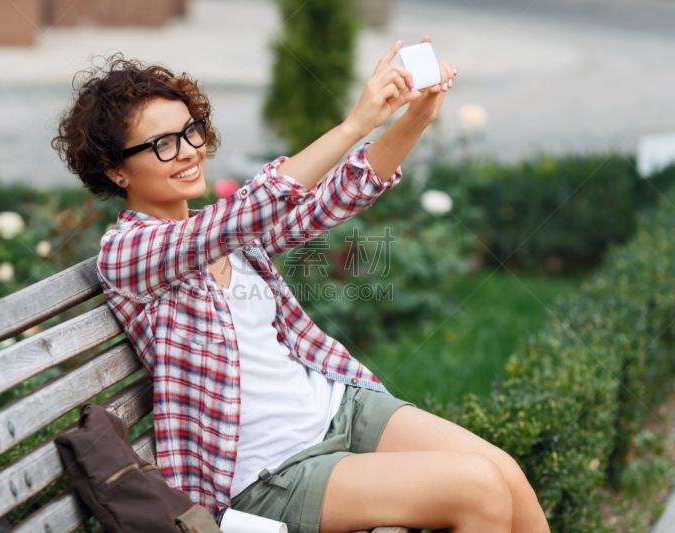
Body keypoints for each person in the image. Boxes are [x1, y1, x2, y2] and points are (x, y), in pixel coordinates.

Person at [53, 35, 550, 533]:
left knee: (505, 475)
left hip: (337, 408)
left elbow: (333, 198)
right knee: (477, 491)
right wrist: (357, 123)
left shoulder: (224, 233)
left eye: (191, 131)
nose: (189, 152)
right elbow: (250, 208)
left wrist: (415, 115)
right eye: (164, 144)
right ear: (116, 171)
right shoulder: (129, 255)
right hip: (268, 475)